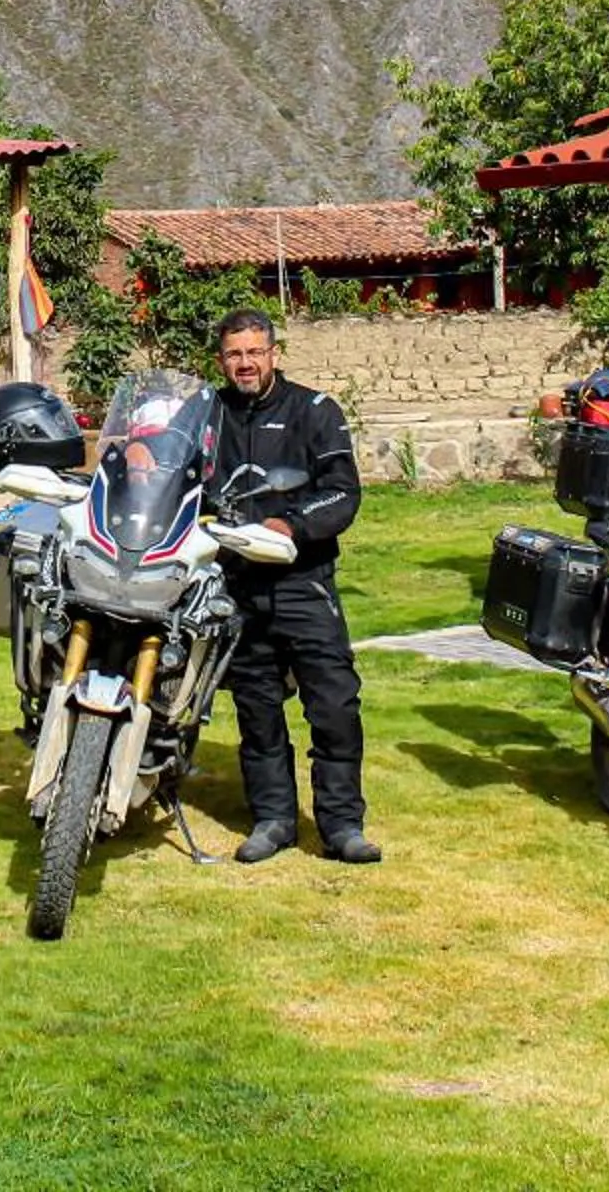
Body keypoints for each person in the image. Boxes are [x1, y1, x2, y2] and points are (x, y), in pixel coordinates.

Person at [207, 308, 377, 866]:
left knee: (333, 706)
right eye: (235, 354)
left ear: (274, 353)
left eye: (255, 351)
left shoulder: (315, 410)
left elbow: (342, 492)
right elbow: (167, 462)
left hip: (303, 582)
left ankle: (342, 825)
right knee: (257, 709)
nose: (246, 363)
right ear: (221, 359)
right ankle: (273, 819)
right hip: (237, 583)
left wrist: (292, 525)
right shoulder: (206, 413)